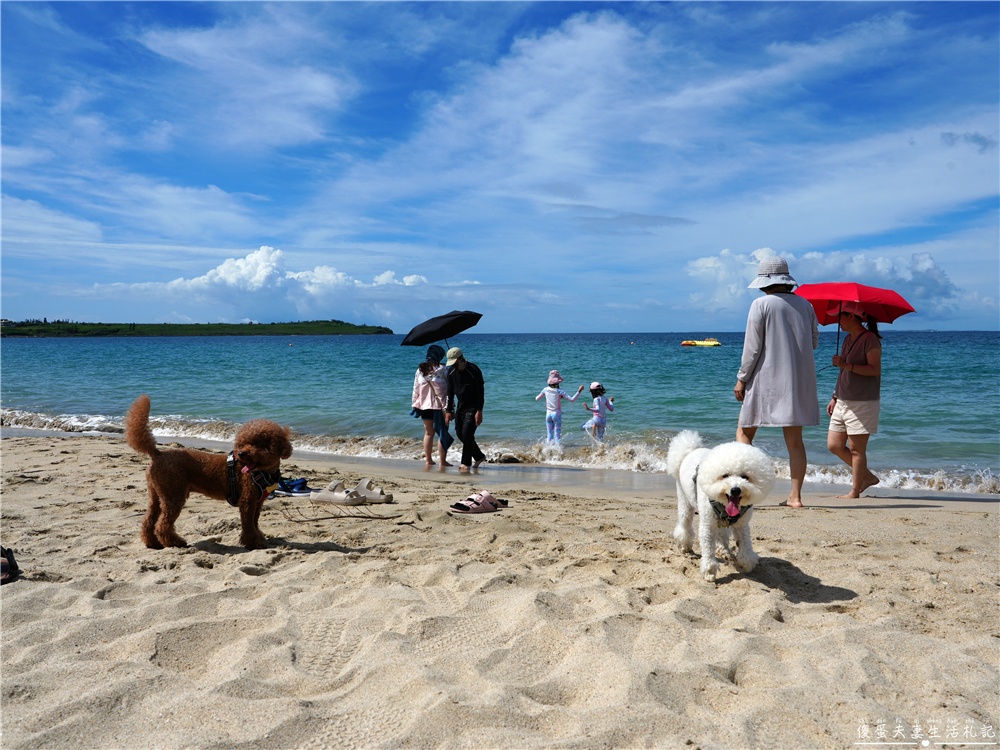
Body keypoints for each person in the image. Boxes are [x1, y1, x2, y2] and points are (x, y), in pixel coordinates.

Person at [734, 256, 819, 508]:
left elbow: (752, 349)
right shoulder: (806, 305)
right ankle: (795, 497)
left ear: (764, 281)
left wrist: (741, 379)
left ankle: (743, 493)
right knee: (795, 442)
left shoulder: (760, 304)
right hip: (798, 381)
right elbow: (813, 343)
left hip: (765, 380)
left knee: (744, 432)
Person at [826, 301, 882, 498]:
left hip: (862, 402)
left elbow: (875, 370)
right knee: (834, 445)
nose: (837, 322)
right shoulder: (848, 339)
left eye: (840, 317)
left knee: (857, 450)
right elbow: (843, 371)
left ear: (851, 317)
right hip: (842, 400)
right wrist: (834, 396)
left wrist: (846, 364)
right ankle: (866, 477)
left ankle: (854, 491)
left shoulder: (870, 339)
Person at [444, 347, 486, 472]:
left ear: (460, 358)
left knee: (468, 433)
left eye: (454, 362)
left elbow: (480, 392)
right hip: (461, 406)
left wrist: (479, 411)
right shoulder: (451, 373)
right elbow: (450, 393)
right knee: (460, 434)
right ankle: (479, 456)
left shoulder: (474, 370)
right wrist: (448, 411)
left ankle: (465, 463)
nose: (453, 366)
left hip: (473, 406)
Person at [411, 345, 453, 468]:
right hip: (441, 407)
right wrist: (451, 405)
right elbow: (450, 390)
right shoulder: (445, 370)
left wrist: (415, 404)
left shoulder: (420, 370)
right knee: (442, 433)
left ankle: (428, 460)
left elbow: (415, 389)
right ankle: (442, 461)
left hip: (424, 406)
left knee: (429, 433)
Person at [535, 370, 585, 445]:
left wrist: (545, 395)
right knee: (557, 436)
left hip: (548, 414)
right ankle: (558, 451)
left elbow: (537, 398)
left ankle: (548, 451)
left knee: (549, 435)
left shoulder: (545, 390)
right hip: (556, 414)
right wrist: (579, 391)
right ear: (558, 382)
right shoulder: (560, 391)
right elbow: (572, 399)